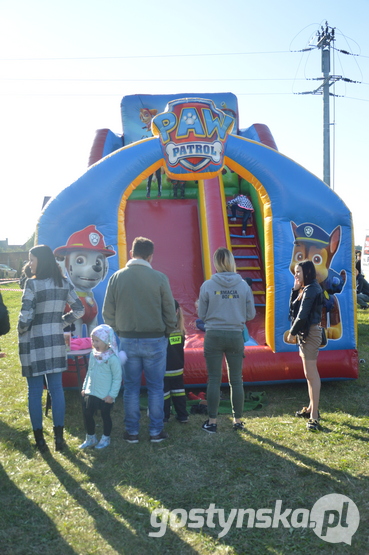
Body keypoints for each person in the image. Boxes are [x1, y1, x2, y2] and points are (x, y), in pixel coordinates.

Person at [103, 237, 177, 443]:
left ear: (131, 253)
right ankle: (155, 431)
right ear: (151, 256)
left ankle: (132, 432)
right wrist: (168, 331)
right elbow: (170, 311)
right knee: (155, 387)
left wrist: (119, 330)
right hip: (155, 340)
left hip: (127, 340)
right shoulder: (160, 278)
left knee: (131, 388)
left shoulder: (116, 277)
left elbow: (107, 312)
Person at [18, 245, 84, 452]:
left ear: (42, 261)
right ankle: (59, 440)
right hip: (55, 342)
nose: (29, 263)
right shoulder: (64, 283)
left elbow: (25, 317)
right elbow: (79, 310)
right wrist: (59, 323)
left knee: (35, 391)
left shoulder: (32, 284)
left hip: (33, 343)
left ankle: (40, 441)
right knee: (57, 390)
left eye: (32, 259)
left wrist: (21, 328)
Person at [198, 247, 256, 433]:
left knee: (214, 379)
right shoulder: (243, 286)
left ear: (216, 263)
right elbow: (250, 314)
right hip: (235, 335)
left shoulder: (207, 285)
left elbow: (202, 315)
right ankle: (237, 420)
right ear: (232, 262)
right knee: (236, 380)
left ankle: (212, 422)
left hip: (214, 335)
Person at [286, 260, 323, 432]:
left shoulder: (312, 289)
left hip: (310, 333)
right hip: (305, 334)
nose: (296, 275)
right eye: (295, 272)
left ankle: (314, 416)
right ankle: (310, 408)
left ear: (307, 272)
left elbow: (302, 315)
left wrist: (292, 333)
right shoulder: (305, 289)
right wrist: (294, 290)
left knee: (312, 374)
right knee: (309, 374)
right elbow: (293, 311)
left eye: (299, 272)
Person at [79, 324, 123, 449]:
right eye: (93, 340)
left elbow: (117, 378)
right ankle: (91, 437)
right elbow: (90, 371)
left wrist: (112, 395)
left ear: (106, 341)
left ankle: (105, 438)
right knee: (87, 414)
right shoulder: (93, 355)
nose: (94, 343)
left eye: (97, 340)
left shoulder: (112, 359)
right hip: (91, 392)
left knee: (105, 415)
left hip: (105, 395)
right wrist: (85, 387)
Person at [164, 300, 189, 423]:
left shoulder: (163, 331)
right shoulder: (180, 330)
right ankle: (182, 415)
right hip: (178, 368)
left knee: (164, 394)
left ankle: (164, 416)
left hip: (164, 369)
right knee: (179, 392)